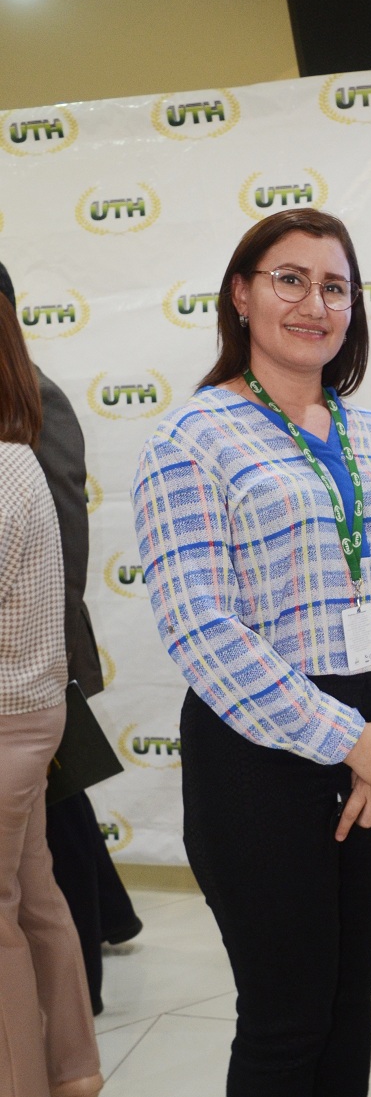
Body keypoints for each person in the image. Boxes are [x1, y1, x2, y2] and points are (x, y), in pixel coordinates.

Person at [133, 207, 371, 1097]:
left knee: (352, 998)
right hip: (259, 763)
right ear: (241, 294)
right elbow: (202, 628)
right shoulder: (190, 440)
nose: (315, 302)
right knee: (286, 1016)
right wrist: (354, 741)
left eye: (335, 286)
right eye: (290, 278)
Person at [0, 259, 142, 1019]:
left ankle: (77, 990)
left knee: (54, 821)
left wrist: (39, 660)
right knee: (59, 813)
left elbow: (60, 541)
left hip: (29, 655)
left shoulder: (35, 398)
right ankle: (110, 923)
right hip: (24, 664)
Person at [0, 293, 103, 1097]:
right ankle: (73, 1067)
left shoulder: (7, 461)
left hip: (13, 709)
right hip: (27, 705)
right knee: (37, 893)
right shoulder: (15, 456)